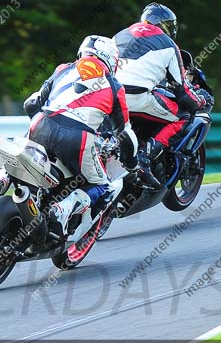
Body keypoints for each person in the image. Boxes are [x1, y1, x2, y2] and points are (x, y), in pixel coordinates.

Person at [21, 35, 142, 229]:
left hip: (41, 124)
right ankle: (62, 209)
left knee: (22, 155)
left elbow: (31, 103)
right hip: (78, 138)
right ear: (111, 59)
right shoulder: (114, 85)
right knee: (104, 187)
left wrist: (41, 127)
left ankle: (3, 178)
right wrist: (132, 163)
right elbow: (125, 134)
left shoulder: (63, 69)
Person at [113, 3, 213, 188]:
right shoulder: (169, 44)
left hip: (107, 97)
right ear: (165, 25)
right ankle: (144, 156)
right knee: (183, 116)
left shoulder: (120, 35)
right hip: (136, 97)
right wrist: (201, 100)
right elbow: (182, 92)